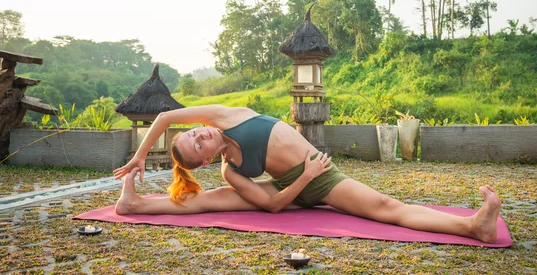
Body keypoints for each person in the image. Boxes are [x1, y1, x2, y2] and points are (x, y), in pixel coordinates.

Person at [113, 105, 501, 243]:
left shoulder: (222, 117)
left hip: (314, 179)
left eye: (194, 133)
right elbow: (274, 205)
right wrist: (307, 175)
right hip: (310, 179)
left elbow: (164, 117)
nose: (200, 134)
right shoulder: (232, 171)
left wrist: (140, 157)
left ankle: (135, 203)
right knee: (210, 201)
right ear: (206, 159)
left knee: (385, 206)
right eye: (198, 145)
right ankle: (474, 229)